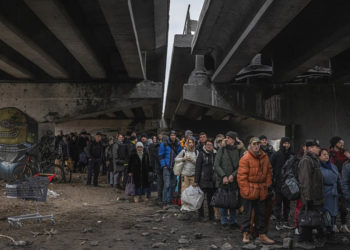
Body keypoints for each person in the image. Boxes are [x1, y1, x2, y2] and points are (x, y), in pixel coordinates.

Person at [238, 137, 274, 244]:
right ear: (250, 145)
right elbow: (241, 177)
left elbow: (269, 171)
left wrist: (268, 184)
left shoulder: (265, 157)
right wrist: (246, 191)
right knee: (247, 214)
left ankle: (261, 234)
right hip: (250, 190)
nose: (256, 146)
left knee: (261, 214)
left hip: (261, 189)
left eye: (258, 144)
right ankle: (245, 234)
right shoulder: (246, 158)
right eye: (254, 144)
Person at [213, 131, 245, 228]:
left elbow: (242, 165)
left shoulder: (239, 150)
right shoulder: (222, 149)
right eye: (226, 137)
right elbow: (216, 165)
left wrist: (233, 175)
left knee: (233, 201)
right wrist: (223, 176)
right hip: (223, 180)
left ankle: (233, 221)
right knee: (223, 201)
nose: (227, 139)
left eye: (230, 138)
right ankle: (224, 221)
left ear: (234, 139)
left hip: (234, 180)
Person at [298, 139, 324, 242]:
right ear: (310, 148)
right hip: (310, 196)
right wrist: (307, 197)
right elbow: (305, 181)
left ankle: (308, 238)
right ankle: (305, 239)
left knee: (312, 217)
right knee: (307, 217)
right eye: (316, 147)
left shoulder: (314, 160)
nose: (319, 149)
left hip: (315, 195)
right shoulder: (306, 160)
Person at [270, 137, 293, 230]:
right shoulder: (276, 155)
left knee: (287, 203)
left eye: (288, 143)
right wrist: (272, 181)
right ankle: (278, 222)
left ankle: (286, 221)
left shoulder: (291, 155)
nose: (286, 145)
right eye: (285, 143)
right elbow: (270, 167)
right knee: (278, 203)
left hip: (289, 183)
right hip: (278, 183)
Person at [329, 136, 350, 233]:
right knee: (334, 205)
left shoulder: (344, 153)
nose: (342, 144)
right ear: (335, 143)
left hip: (344, 182)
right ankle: (332, 225)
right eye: (340, 142)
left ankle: (343, 224)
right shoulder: (330, 154)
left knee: (344, 205)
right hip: (334, 183)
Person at [319, 148, 341, 234]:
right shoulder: (318, 167)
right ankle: (323, 231)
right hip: (324, 192)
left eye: (327, 154)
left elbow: (338, 178)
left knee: (333, 212)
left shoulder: (333, 166)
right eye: (324, 154)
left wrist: (340, 190)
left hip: (333, 192)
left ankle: (331, 229)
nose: (326, 156)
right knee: (324, 212)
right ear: (319, 156)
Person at [194, 139, 216, 221]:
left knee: (211, 200)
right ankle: (201, 216)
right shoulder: (201, 154)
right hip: (203, 180)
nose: (209, 146)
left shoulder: (215, 154)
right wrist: (196, 181)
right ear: (205, 146)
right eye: (207, 145)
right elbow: (198, 168)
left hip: (211, 181)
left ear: (212, 146)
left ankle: (211, 216)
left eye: (210, 145)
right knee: (201, 199)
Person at [158, 131, 182, 205]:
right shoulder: (164, 144)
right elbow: (160, 155)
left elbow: (180, 155)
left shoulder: (178, 145)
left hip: (175, 167)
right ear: (169, 136)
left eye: (174, 135)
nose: (173, 136)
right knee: (167, 184)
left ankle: (170, 200)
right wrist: (164, 165)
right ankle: (165, 200)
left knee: (173, 184)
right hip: (166, 167)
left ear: (175, 136)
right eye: (171, 135)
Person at [149, 136, 162, 202]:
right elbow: (151, 156)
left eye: (155, 138)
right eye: (153, 138)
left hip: (157, 164)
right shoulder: (151, 146)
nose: (154, 139)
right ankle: (153, 190)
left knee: (157, 178)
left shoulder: (158, 146)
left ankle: (156, 191)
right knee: (154, 177)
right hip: (153, 163)